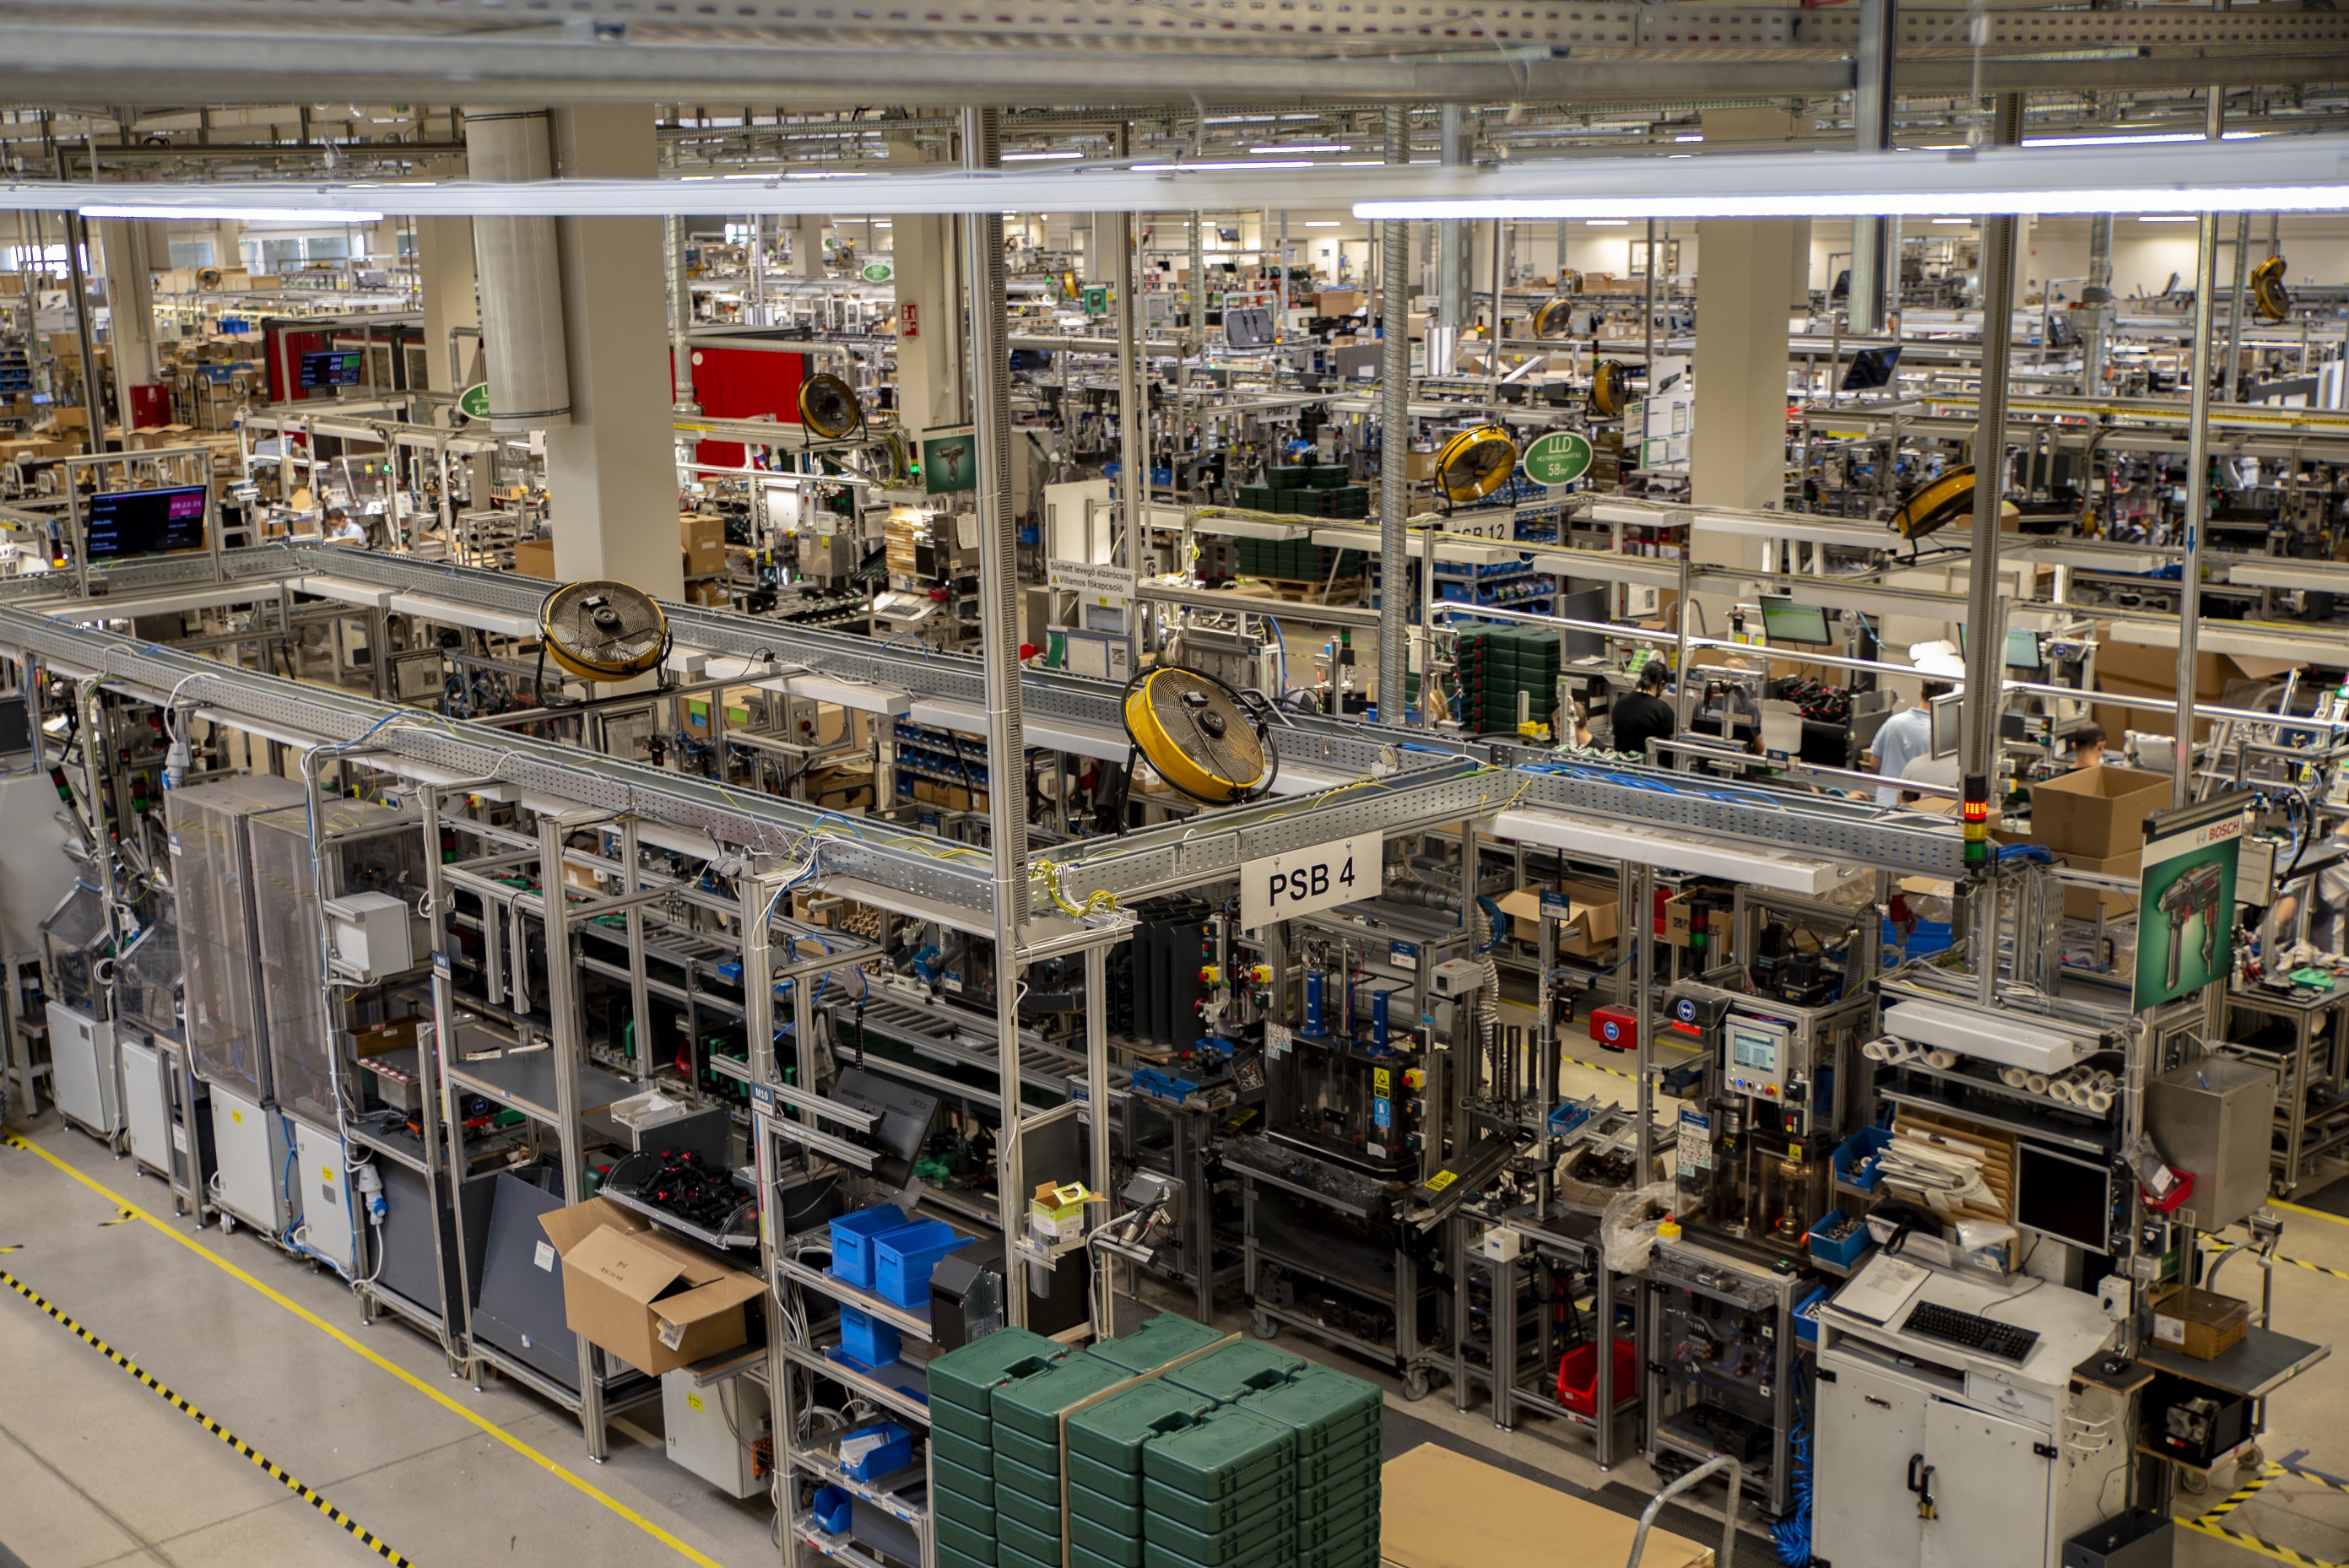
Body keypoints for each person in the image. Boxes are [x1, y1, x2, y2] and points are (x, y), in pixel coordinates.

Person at [1866, 679, 1951, 807]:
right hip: (1919, 807)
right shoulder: (1942, 732)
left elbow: (1875, 763)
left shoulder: (1893, 723)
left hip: (1884, 804)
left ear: (1921, 693)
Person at [1610, 660, 1676, 760]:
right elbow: (1676, 740)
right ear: (1662, 683)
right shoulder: (1661, 708)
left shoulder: (1621, 700)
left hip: (1621, 762)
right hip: (1650, 765)